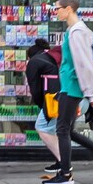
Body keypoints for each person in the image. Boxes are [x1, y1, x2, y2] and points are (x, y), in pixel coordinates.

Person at [43, 0, 93, 184]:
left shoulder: (76, 32)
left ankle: (66, 174)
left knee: (62, 129)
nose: (55, 12)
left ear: (69, 9)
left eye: (57, 8)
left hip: (73, 87)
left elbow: (84, 64)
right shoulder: (72, 31)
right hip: (68, 85)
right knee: (67, 130)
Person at [24, 37, 64, 173]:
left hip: (53, 100)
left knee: (42, 127)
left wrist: (41, 106)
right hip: (70, 97)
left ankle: (64, 163)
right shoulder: (54, 56)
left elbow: (35, 89)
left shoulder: (34, 62)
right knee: (61, 130)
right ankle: (61, 162)